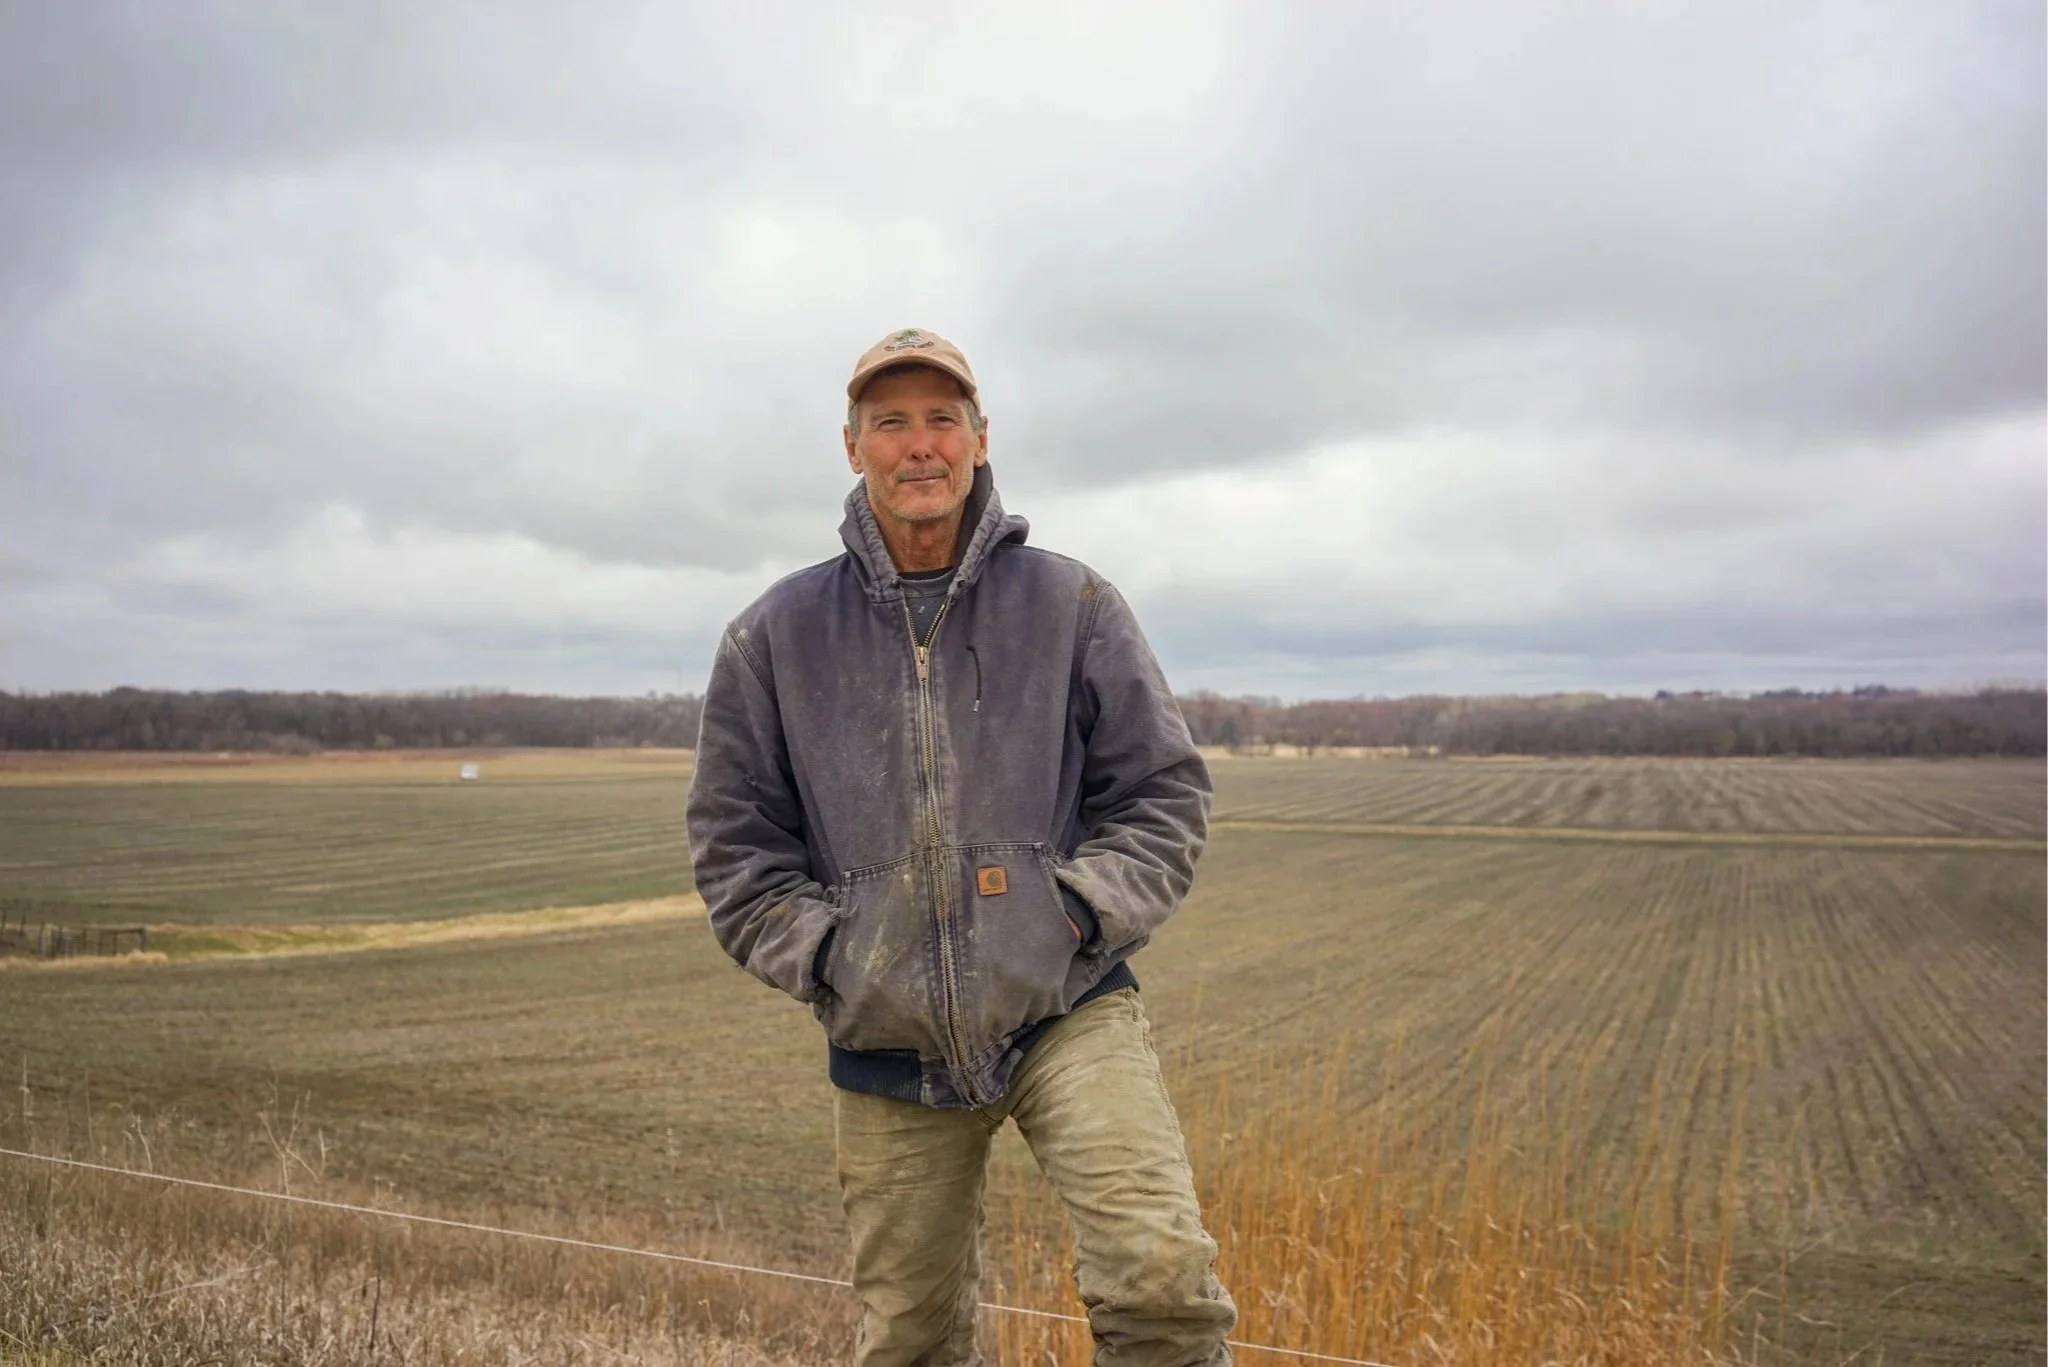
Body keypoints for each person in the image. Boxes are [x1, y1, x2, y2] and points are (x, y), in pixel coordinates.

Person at [687, 327, 1236, 1366]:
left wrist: (1069, 914)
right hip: (887, 1042)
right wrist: (831, 956)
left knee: (1160, 1280)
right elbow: (733, 844)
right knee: (909, 1341)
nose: (919, 444)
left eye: (941, 418)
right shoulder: (773, 635)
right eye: (889, 421)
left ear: (981, 439)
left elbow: (1162, 791)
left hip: (1065, 1004)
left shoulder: (1071, 603)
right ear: (851, 447)